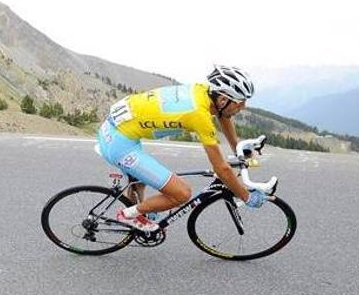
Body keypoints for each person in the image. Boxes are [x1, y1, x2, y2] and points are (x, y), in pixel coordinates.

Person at [97, 65, 267, 232]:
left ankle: (137, 215)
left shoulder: (205, 91)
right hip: (119, 144)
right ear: (223, 100)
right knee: (181, 193)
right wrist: (246, 196)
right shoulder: (198, 114)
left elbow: (224, 115)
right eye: (240, 103)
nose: (243, 107)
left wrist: (237, 148)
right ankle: (128, 216)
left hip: (114, 129)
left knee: (139, 183)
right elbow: (221, 169)